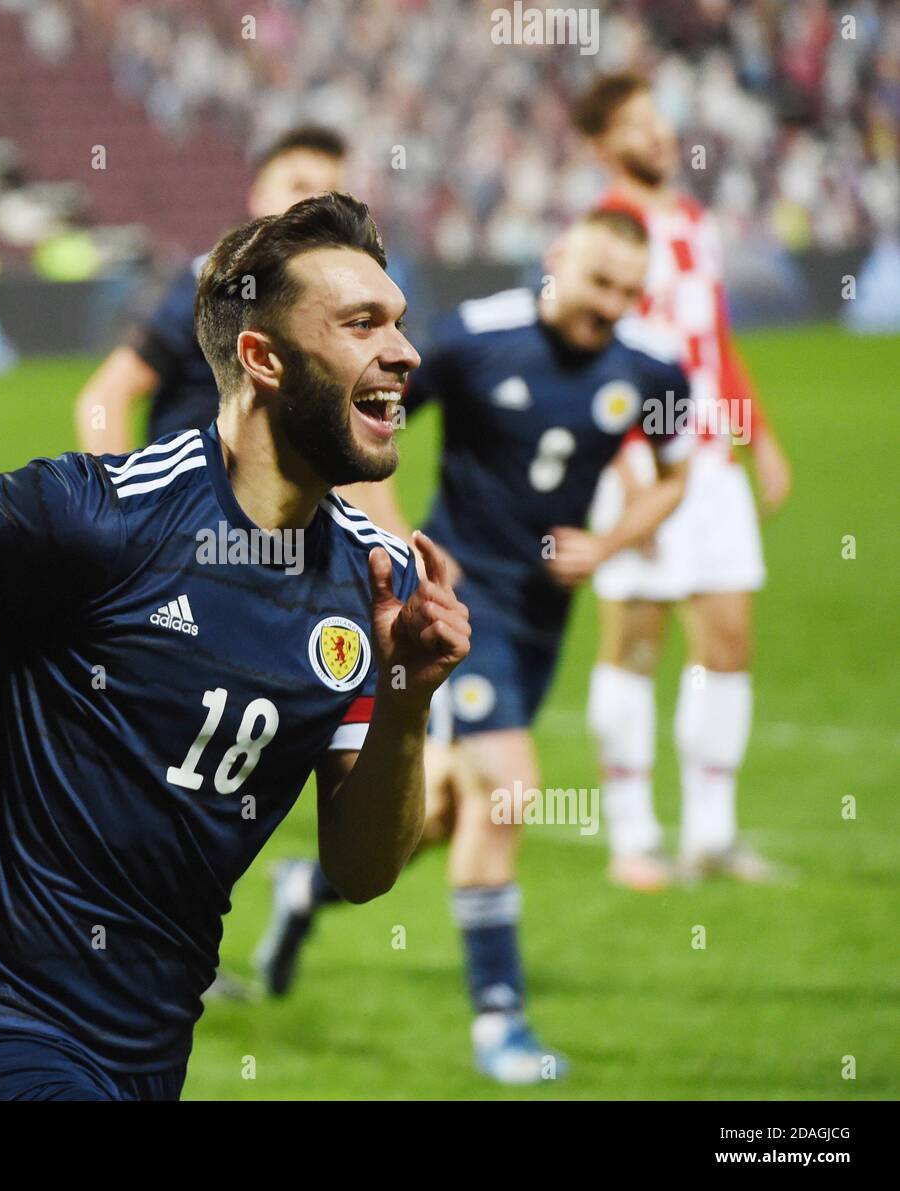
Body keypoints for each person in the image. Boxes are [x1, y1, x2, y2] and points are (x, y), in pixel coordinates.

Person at [0, 192, 471, 1101]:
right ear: (262, 358)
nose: (405, 351)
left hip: (148, 1057)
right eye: (361, 323)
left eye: (400, 323)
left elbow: (364, 867)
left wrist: (407, 695)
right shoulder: (93, 519)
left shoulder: (371, 586)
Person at [255, 210, 694, 1085]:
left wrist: (608, 547)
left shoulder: (650, 367)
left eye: (626, 289)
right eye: (596, 281)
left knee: (457, 812)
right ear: (555, 260)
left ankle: (307, 887)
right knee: (513, 789)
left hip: (540, 620)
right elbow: (365, 419)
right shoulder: (474, 339)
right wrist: (396, 546)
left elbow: (680, 470)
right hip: (460, 601)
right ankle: (501, 1020)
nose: (609, 304)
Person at [574, 72, 792, 889]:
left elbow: (715, 344)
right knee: (633, 643)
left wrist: (757, 434)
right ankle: (633, 836)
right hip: (638, 464)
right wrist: (630, 469)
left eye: (658, 117)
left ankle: (711, 834)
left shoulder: (693, 222)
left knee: (729, 640)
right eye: (636, 125)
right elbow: (598, 350)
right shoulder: (603, 231)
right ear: (603, 147)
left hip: (710, 463)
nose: (658, 134)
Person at [74, 125, 348, 454]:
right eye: (298, 187)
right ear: (258, 198)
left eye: (329, 193)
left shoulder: (341, 299)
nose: (313, 204)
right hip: (192, 499)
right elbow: (106, 397)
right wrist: (117, 502)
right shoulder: (214, 284)